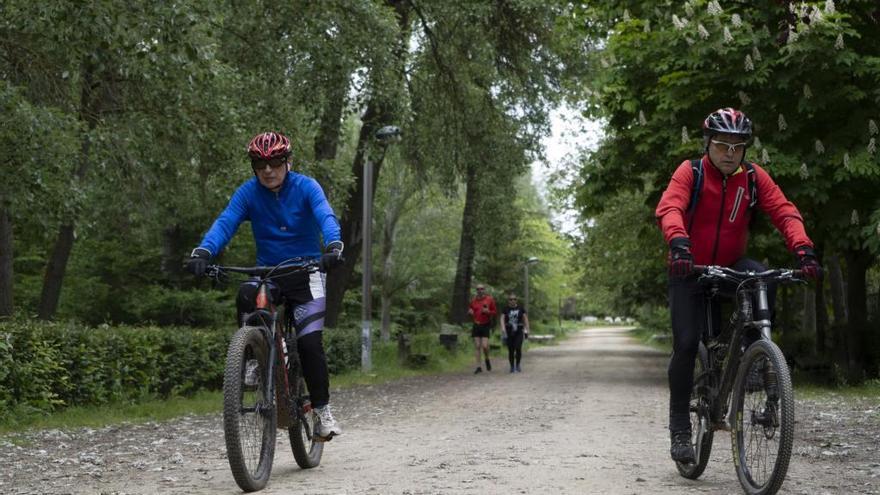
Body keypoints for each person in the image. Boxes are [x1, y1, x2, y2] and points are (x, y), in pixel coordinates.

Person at [655, 108, 821, 464]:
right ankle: (681, 429)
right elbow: (670, 207)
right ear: (708, 144)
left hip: (730, 265)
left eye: (737, 146)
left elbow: (784, 211)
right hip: (689, 267)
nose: (729, 153)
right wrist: (679, 242)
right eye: (721, 145)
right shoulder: (692, 172)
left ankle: (754, 356)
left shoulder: (754, 178)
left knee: (762, 275)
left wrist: (803, 249)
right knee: (686, 344)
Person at [185, 131, 345, 440]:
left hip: (307, 270)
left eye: (274, 162)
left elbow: (326, 216)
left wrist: (334, 246)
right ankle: (255, 358)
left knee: (310, 343)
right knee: (247, 293)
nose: (267, 170)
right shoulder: (248, 193)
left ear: (288, 162)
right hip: (268, 273)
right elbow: (225, 222)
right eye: (260, 163)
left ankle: (323, 412)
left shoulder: (306, 187)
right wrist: (204, 252)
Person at [468, 284, 497, 374]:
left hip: (486, 325)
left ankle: (487, 359)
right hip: (476, 324)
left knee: (484, 346)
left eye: (481, 289)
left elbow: (495, 312)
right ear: (476, 291)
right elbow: (471, 311)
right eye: (478, 289)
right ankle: (478, 366)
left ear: (484, 290)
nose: (480, 290)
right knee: (477, 346)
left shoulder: (489, 299)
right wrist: (470, 312)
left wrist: (488, 311)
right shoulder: (473, 301)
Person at [500, 293, 529, 373]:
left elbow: (525, 319)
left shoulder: (521, 308)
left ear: (516, 300)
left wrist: (527, 329)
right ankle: (512, 366)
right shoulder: (505, 309)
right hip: (509, 331)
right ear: (508, 301)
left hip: (519, 330)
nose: (512, 301)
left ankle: (518, 364)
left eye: (514, 299)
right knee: (511, 350)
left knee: (518, 347)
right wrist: (503, 329)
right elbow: (502, 319)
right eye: (511, 299)